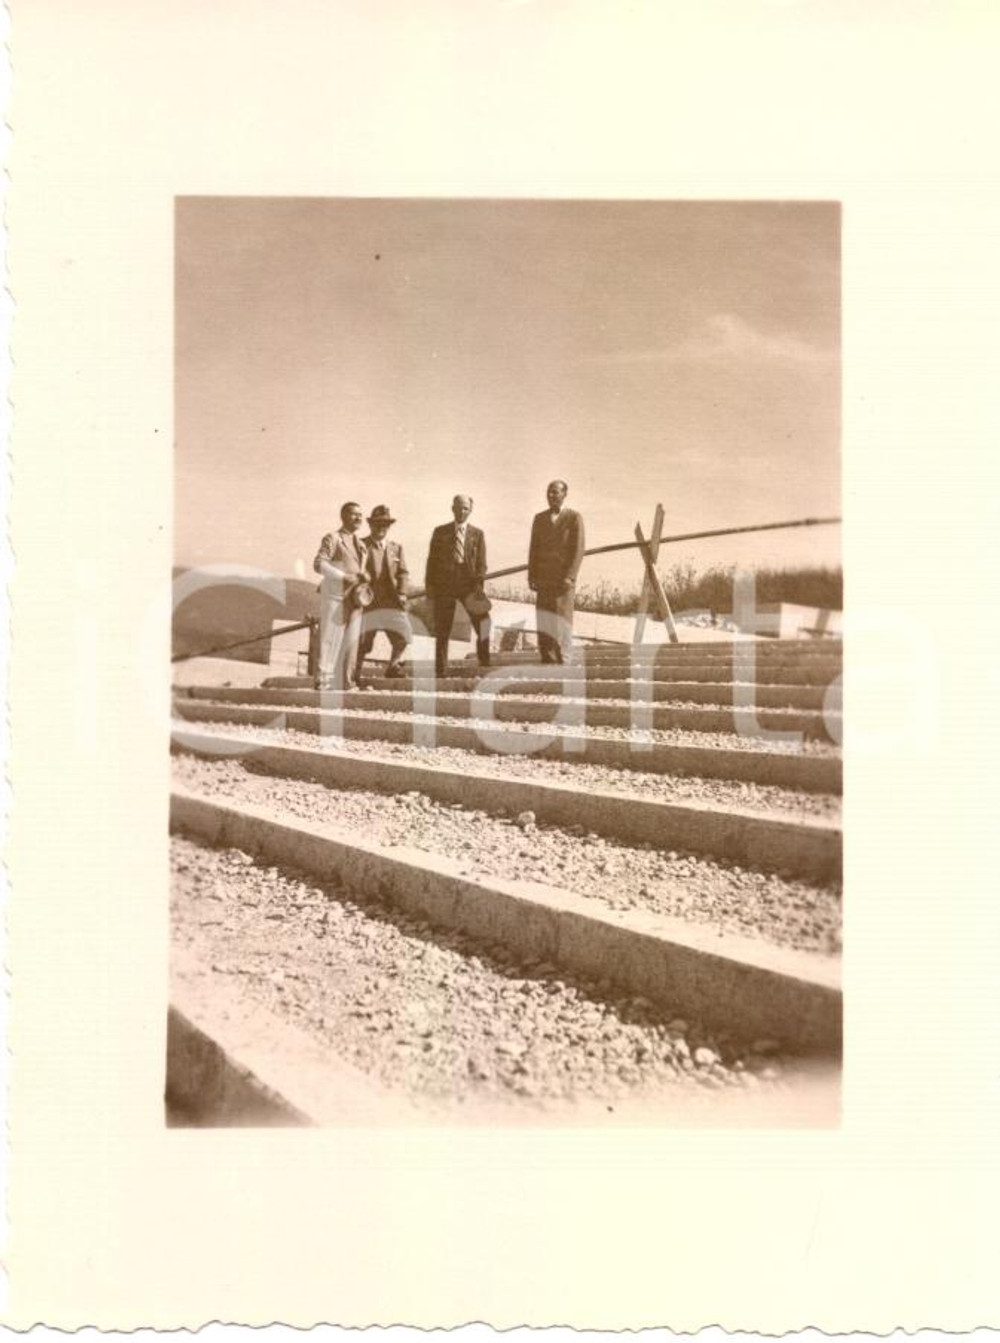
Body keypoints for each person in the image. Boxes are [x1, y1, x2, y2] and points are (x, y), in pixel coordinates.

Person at [424, 494, 491, 678]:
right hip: (445, 585)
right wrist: (430, 586)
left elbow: (482, 563)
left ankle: (484, 661)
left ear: (471, 510)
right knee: (443, 628)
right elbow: (431, 561)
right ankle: (440, 670)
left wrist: (479, 585)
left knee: (484, 622)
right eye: (458, 507)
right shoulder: (440, 532)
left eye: (465, 508)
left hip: (469, 584)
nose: (462, 511)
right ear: (452, 508)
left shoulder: (477, 534)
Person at [528, 479, 585, 664]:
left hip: (563, 580)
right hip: (543, 578)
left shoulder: (574, 517)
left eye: (556, 492)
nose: (551, 495)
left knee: (562, 618)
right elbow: (534, 548)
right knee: (545, 618)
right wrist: (532, 575)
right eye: (549, 492)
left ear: (564, 494)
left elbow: (578, 549)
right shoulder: (539, 518)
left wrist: (570, 576)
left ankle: (563, 659)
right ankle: (547, 659)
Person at [312, 501, 367, 690]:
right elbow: (319, 564)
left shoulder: (361, 544)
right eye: (354, 514)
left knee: (352, 641)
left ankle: (347, 682)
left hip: (356, 599)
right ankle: (323, 680)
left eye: (360, 514)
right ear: (343, 516)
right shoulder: (333, 538)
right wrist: (343, 576)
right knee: (329, 638)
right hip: (335, 596)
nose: (358, 518)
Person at [356, 504, 411, 681]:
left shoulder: (396, 548)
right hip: (367, 603)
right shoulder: (361, 545)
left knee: (403, 635)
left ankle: (393, 666)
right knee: (363, 642)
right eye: (378, 524)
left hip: (391, 602)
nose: (381, 528)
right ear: (371, 525)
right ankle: (354, 673)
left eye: (385, 524)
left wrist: (402, 593)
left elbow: (403, 573)